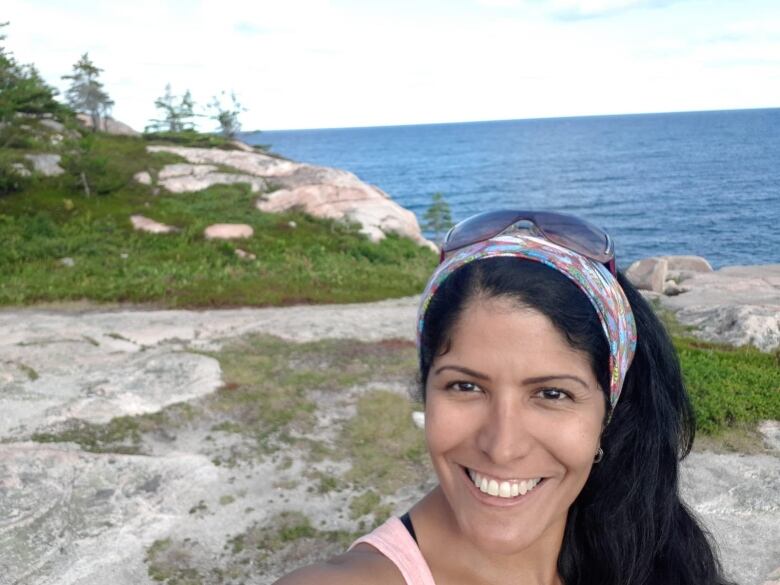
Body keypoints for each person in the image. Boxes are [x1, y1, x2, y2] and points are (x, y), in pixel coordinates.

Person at [275, 210, 734, 585]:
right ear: (427, 390)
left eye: (551, 393)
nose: (502, 445)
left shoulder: (644, 548)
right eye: (466, 386)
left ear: (608, 415)